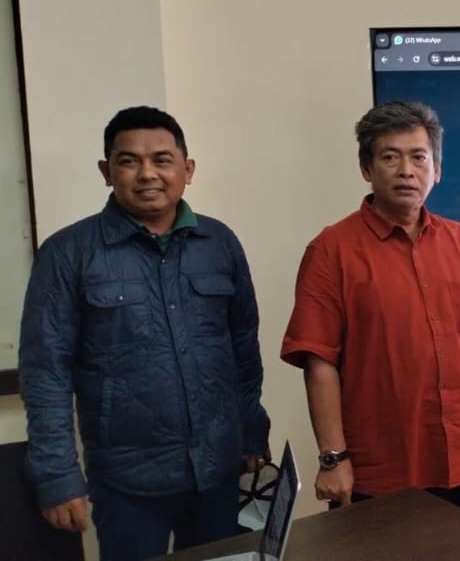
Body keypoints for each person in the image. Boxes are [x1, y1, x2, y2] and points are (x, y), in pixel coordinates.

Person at [18, 106, 271, 560]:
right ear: (106, 170)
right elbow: (45, 373)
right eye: (129, 160)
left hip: (217, 469)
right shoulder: (68, 253)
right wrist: (57, 476)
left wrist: (253, 433)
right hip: (127, 481)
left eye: (162, 159)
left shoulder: (220, 244)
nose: (147, 173)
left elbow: (243, 352)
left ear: (187, 170)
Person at [281, 101, 460, 515]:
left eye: (418, 157)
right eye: (390, 157)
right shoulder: (331, 250)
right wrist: (332, 458)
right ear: (367, 169)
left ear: (437, 170)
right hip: (379, 469)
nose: (406, 170)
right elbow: (319, 362)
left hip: (459, 456)